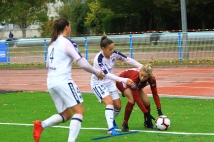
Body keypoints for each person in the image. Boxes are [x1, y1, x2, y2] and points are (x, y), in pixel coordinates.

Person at [32, 17, 104, 142]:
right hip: (63, 80)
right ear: (66, 27)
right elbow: (82, 63)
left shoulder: (52, 44)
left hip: (51, 81)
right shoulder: (67, 42)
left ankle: (41, 125)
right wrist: (97, 72)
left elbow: (47, 65)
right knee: (79, 111)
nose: (70, 28)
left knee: (66, 114)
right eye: (69, 26)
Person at [90, 35, 151, 135]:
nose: (112, 51)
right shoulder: (99, 59)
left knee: (118, 106)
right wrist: (124, 80)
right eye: (110, 49)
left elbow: (127, 59)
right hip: (98, 83)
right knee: (109, 102)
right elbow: (107, 74)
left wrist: (142, 67)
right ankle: (110, 128)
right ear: (103, 49)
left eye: (113, 48)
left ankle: (111, 119)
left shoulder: (114, 54)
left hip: (109, 83)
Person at [116, 64, 163, 132]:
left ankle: (147, 123)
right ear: (140, 71)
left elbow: (155, 94)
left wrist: (159, 110)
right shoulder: (135, 77)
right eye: (141, 75)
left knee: (146, 102)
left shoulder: (152, 79)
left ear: (149, 76)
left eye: (145, 77)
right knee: (132, 100)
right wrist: (146, 113)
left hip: (136, 84)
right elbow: (137, 99)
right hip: (122, 82)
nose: (142, 78)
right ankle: (125, 124)